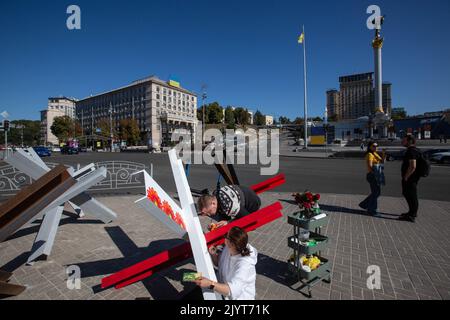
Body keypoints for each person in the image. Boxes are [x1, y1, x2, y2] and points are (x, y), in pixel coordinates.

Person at [194, 227, 258, 300]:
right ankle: (186, 276)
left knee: (196, 290)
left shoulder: (245, 266)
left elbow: (231, 291)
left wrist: (209, 284)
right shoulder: (230, 249)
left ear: (230, 243)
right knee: (192, 277)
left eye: (226, 236)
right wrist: (214, 255)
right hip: (221, 287)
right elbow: (220, 264)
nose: (224, 237)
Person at [359, 141, 386, 217]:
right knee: (376, 193)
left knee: (376, 192)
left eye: (376, 146)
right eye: (374, 146)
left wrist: (383, 153)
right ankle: (372, 210)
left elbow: (382, 161)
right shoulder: (370, 154)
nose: (375, 147)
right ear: (370, 147)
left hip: (376, 175)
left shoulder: (375, 154)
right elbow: (370, 165)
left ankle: (364, 204)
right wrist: (375, 172)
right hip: (373, 175)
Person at [399, 135, 421, 223]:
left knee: (411, 196)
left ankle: (412, 215)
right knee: (408, 195)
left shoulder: (411, 151)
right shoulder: (414, 150)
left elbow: (413, 166)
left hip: (410, 178)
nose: (402, 142)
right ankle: (411, 212)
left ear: (410, 141)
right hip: (412, 177)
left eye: (404, 140)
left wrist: (406, 177)